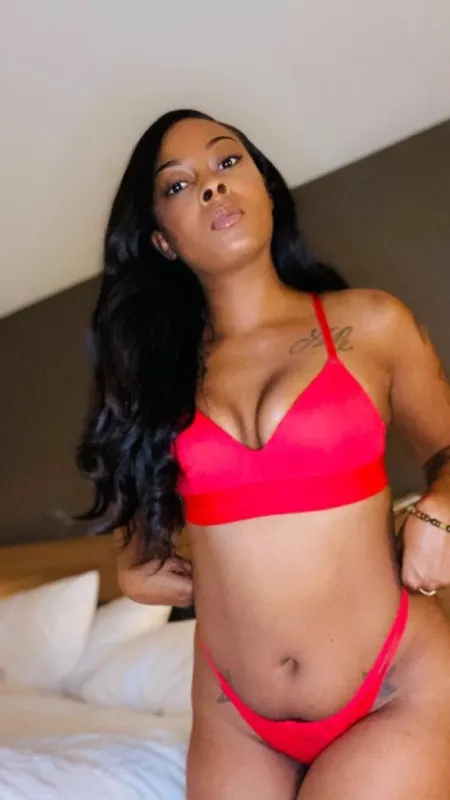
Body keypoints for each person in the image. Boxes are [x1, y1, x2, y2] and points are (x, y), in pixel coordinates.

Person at [77, 109, 450, 798]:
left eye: (228, 162)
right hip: (235, 718)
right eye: (179, 184)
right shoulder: (153, 380)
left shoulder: (370, 322)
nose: (212, 185)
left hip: (395, 687)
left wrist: (440, 510)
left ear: (265, 187)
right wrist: (139, 563)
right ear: (162, 240)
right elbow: (141, 537)